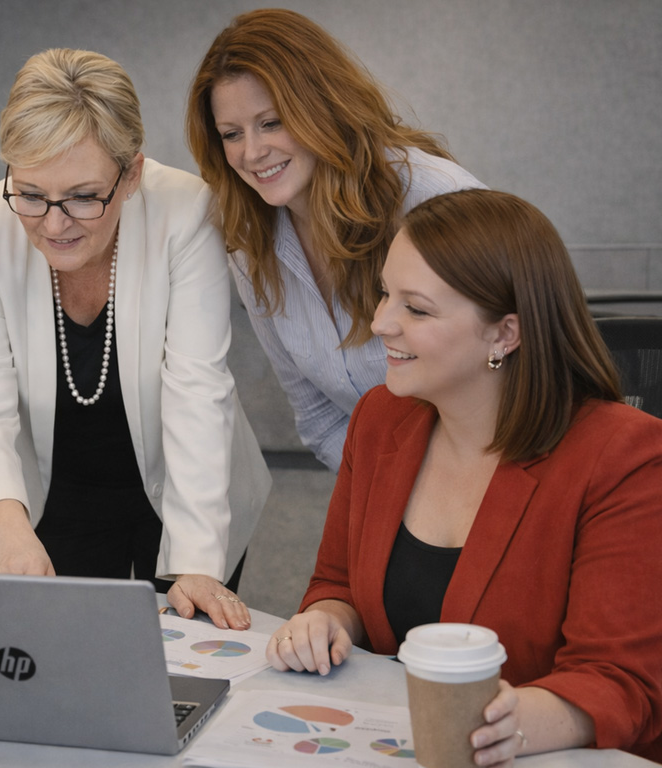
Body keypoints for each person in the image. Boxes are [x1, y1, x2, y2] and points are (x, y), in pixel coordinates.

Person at [267, 189, 662, 763]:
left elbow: (620, 682)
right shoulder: (381, 419)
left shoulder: (624, 457)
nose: (380, 323)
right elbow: (338, 582)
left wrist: (501, 723)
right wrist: (326, 620)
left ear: (504, 334)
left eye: (417, 309)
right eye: (384, 293)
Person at [0, 48, 271, 629]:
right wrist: (10, 532)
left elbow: (197, 390)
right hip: (51, 492)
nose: (54, 223)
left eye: (83, 196)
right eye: (31, 193)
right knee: (64, 656)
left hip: (184, 489)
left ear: (132, 174)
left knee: (182, 659)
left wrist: (195, 560)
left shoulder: (185, 211)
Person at [186, 8, 484, 470]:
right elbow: (319, 417)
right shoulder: (249, 244)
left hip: (492, 467)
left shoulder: (435, 196)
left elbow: (514, 373)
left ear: (320, 107)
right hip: (379, 483)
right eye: (231, 134)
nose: (252, 152)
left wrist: (437, 494)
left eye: (271, 122)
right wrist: (383, 493)